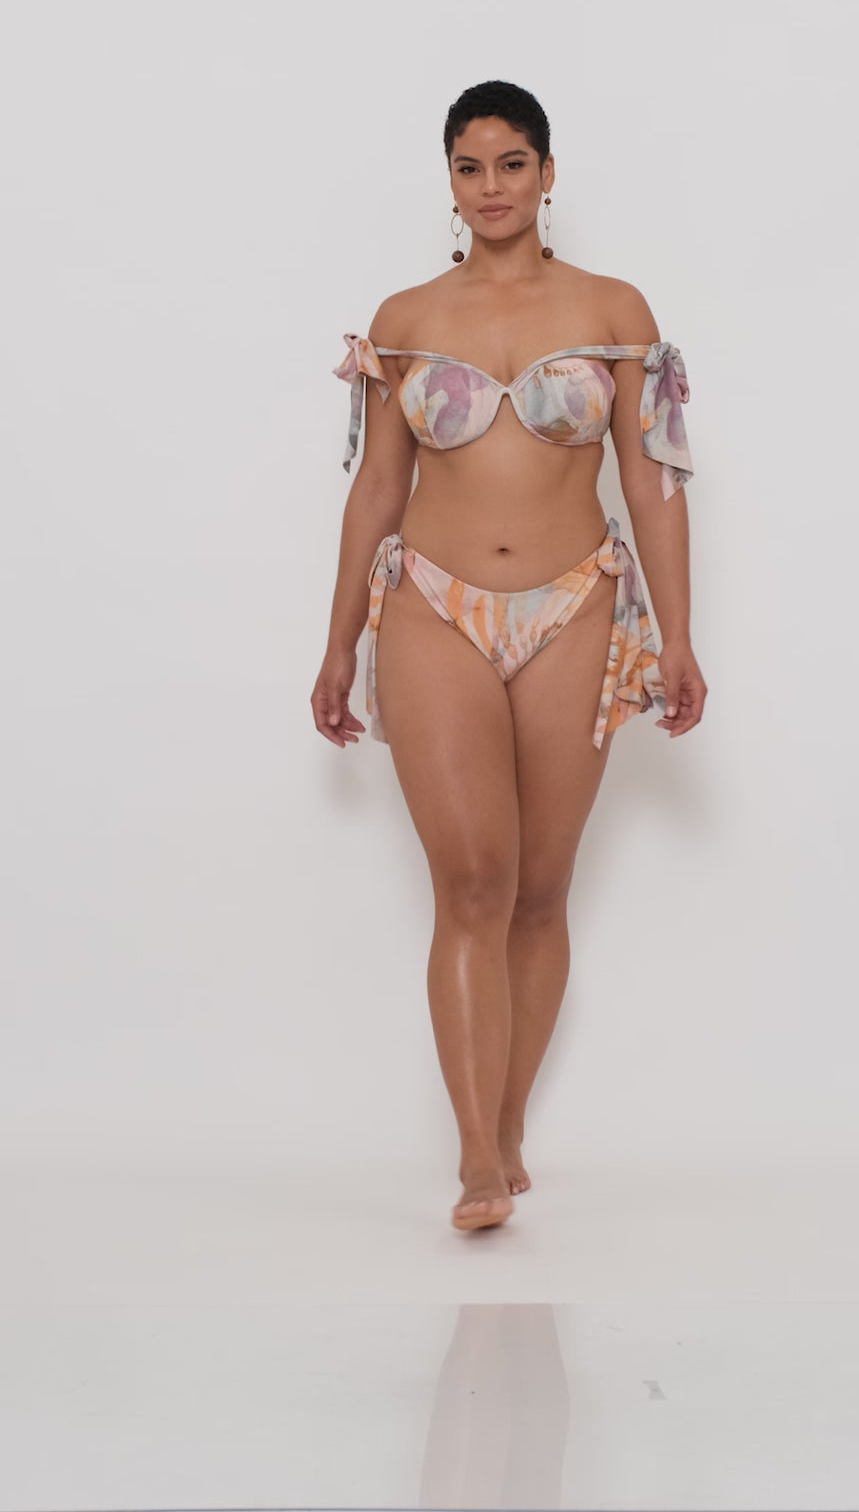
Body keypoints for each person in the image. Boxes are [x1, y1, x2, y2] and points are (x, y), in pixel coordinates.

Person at [311, 80, 707, 1233]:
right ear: (449, 179)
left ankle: (512, 1116)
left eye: (512, 163)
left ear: (546, 172)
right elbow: (375, 489)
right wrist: (336, 640)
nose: (491, 186)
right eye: (470, 166)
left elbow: (652, 483)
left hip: (576, 603)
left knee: (538, 886)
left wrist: (678, 635)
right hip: (430, 604)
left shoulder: (612, 306)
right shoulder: (404, 317)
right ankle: (477, 1158)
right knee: (472, 877)